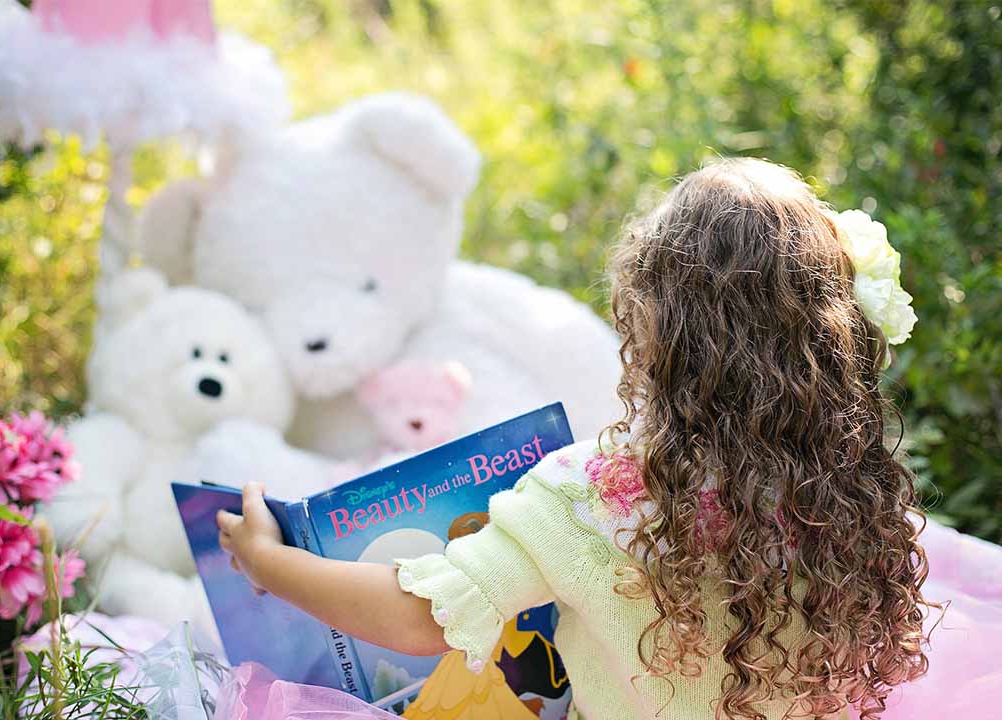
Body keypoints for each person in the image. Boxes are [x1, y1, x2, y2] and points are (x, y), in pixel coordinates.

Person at [216, 158, 1002, 720]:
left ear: (658, 336)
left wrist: (271, 561)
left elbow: (421, 616)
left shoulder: (596, 496)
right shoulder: (845, 481)